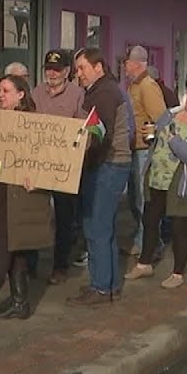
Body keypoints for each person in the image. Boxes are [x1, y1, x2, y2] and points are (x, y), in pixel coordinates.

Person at [0, 75, 53, 323]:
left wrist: (37, 178)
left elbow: (49, 160)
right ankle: (20, 302)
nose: (0, 95)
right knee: (13, 249)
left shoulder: (34, 126)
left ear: (21, 95)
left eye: (6, 90)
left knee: (4, 247)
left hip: (18, 199)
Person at [127, 81, 187, 289]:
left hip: (182, 183)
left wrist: (175, 142)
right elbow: (158, 137)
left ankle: (178, 273)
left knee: (178, 227)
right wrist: (150, 136)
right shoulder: (170, 114)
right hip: (157, 177)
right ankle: (144, 263)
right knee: (149, 220)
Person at [66, 47, 131, 306]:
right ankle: (108, 284)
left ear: (98, 67)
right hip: (112, 164)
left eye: (81, 68)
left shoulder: (104, 93)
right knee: (104, 227)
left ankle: (101, 287)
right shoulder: (104, 90)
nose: (77, 73)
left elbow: (99, 135)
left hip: (108, 165)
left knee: (96, 226)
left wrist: (77, 153)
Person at [33, 50, 85, 285]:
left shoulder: (78, 95)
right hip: (38, 163)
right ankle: (30, 264)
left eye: (57, 69)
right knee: (34, 214)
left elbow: (86, 130)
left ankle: (60, 266)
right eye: (49, 68)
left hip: (65, 165)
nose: (52, 73)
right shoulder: (36, 93)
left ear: (66, 71)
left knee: (65, 218)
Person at [123, 46, 167, 257]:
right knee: (134, 198)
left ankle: (147, 243)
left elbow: (161, 118)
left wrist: (150, 133)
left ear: (137, 64)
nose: (124, 66)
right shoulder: (134, 85)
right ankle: (148, 240)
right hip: (134, 148)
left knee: (142, 199)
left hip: (144, 150)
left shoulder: (147, 86)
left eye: (127, 62)